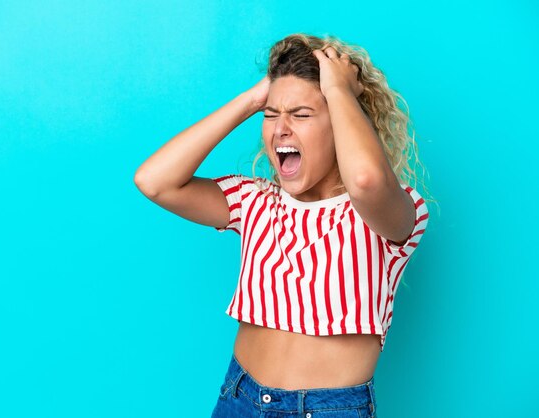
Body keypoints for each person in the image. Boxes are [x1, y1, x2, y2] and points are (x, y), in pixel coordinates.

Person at [134, 33, 430, 418]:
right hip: (239, 398)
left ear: (342, 123)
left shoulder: (391, 213)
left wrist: (339, 89)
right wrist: (255, 100)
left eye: (302, 114)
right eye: (271, 116)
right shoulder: (254, 200)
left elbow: (366, 180)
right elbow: (154, 181)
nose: (281, 128)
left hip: (328, 410)